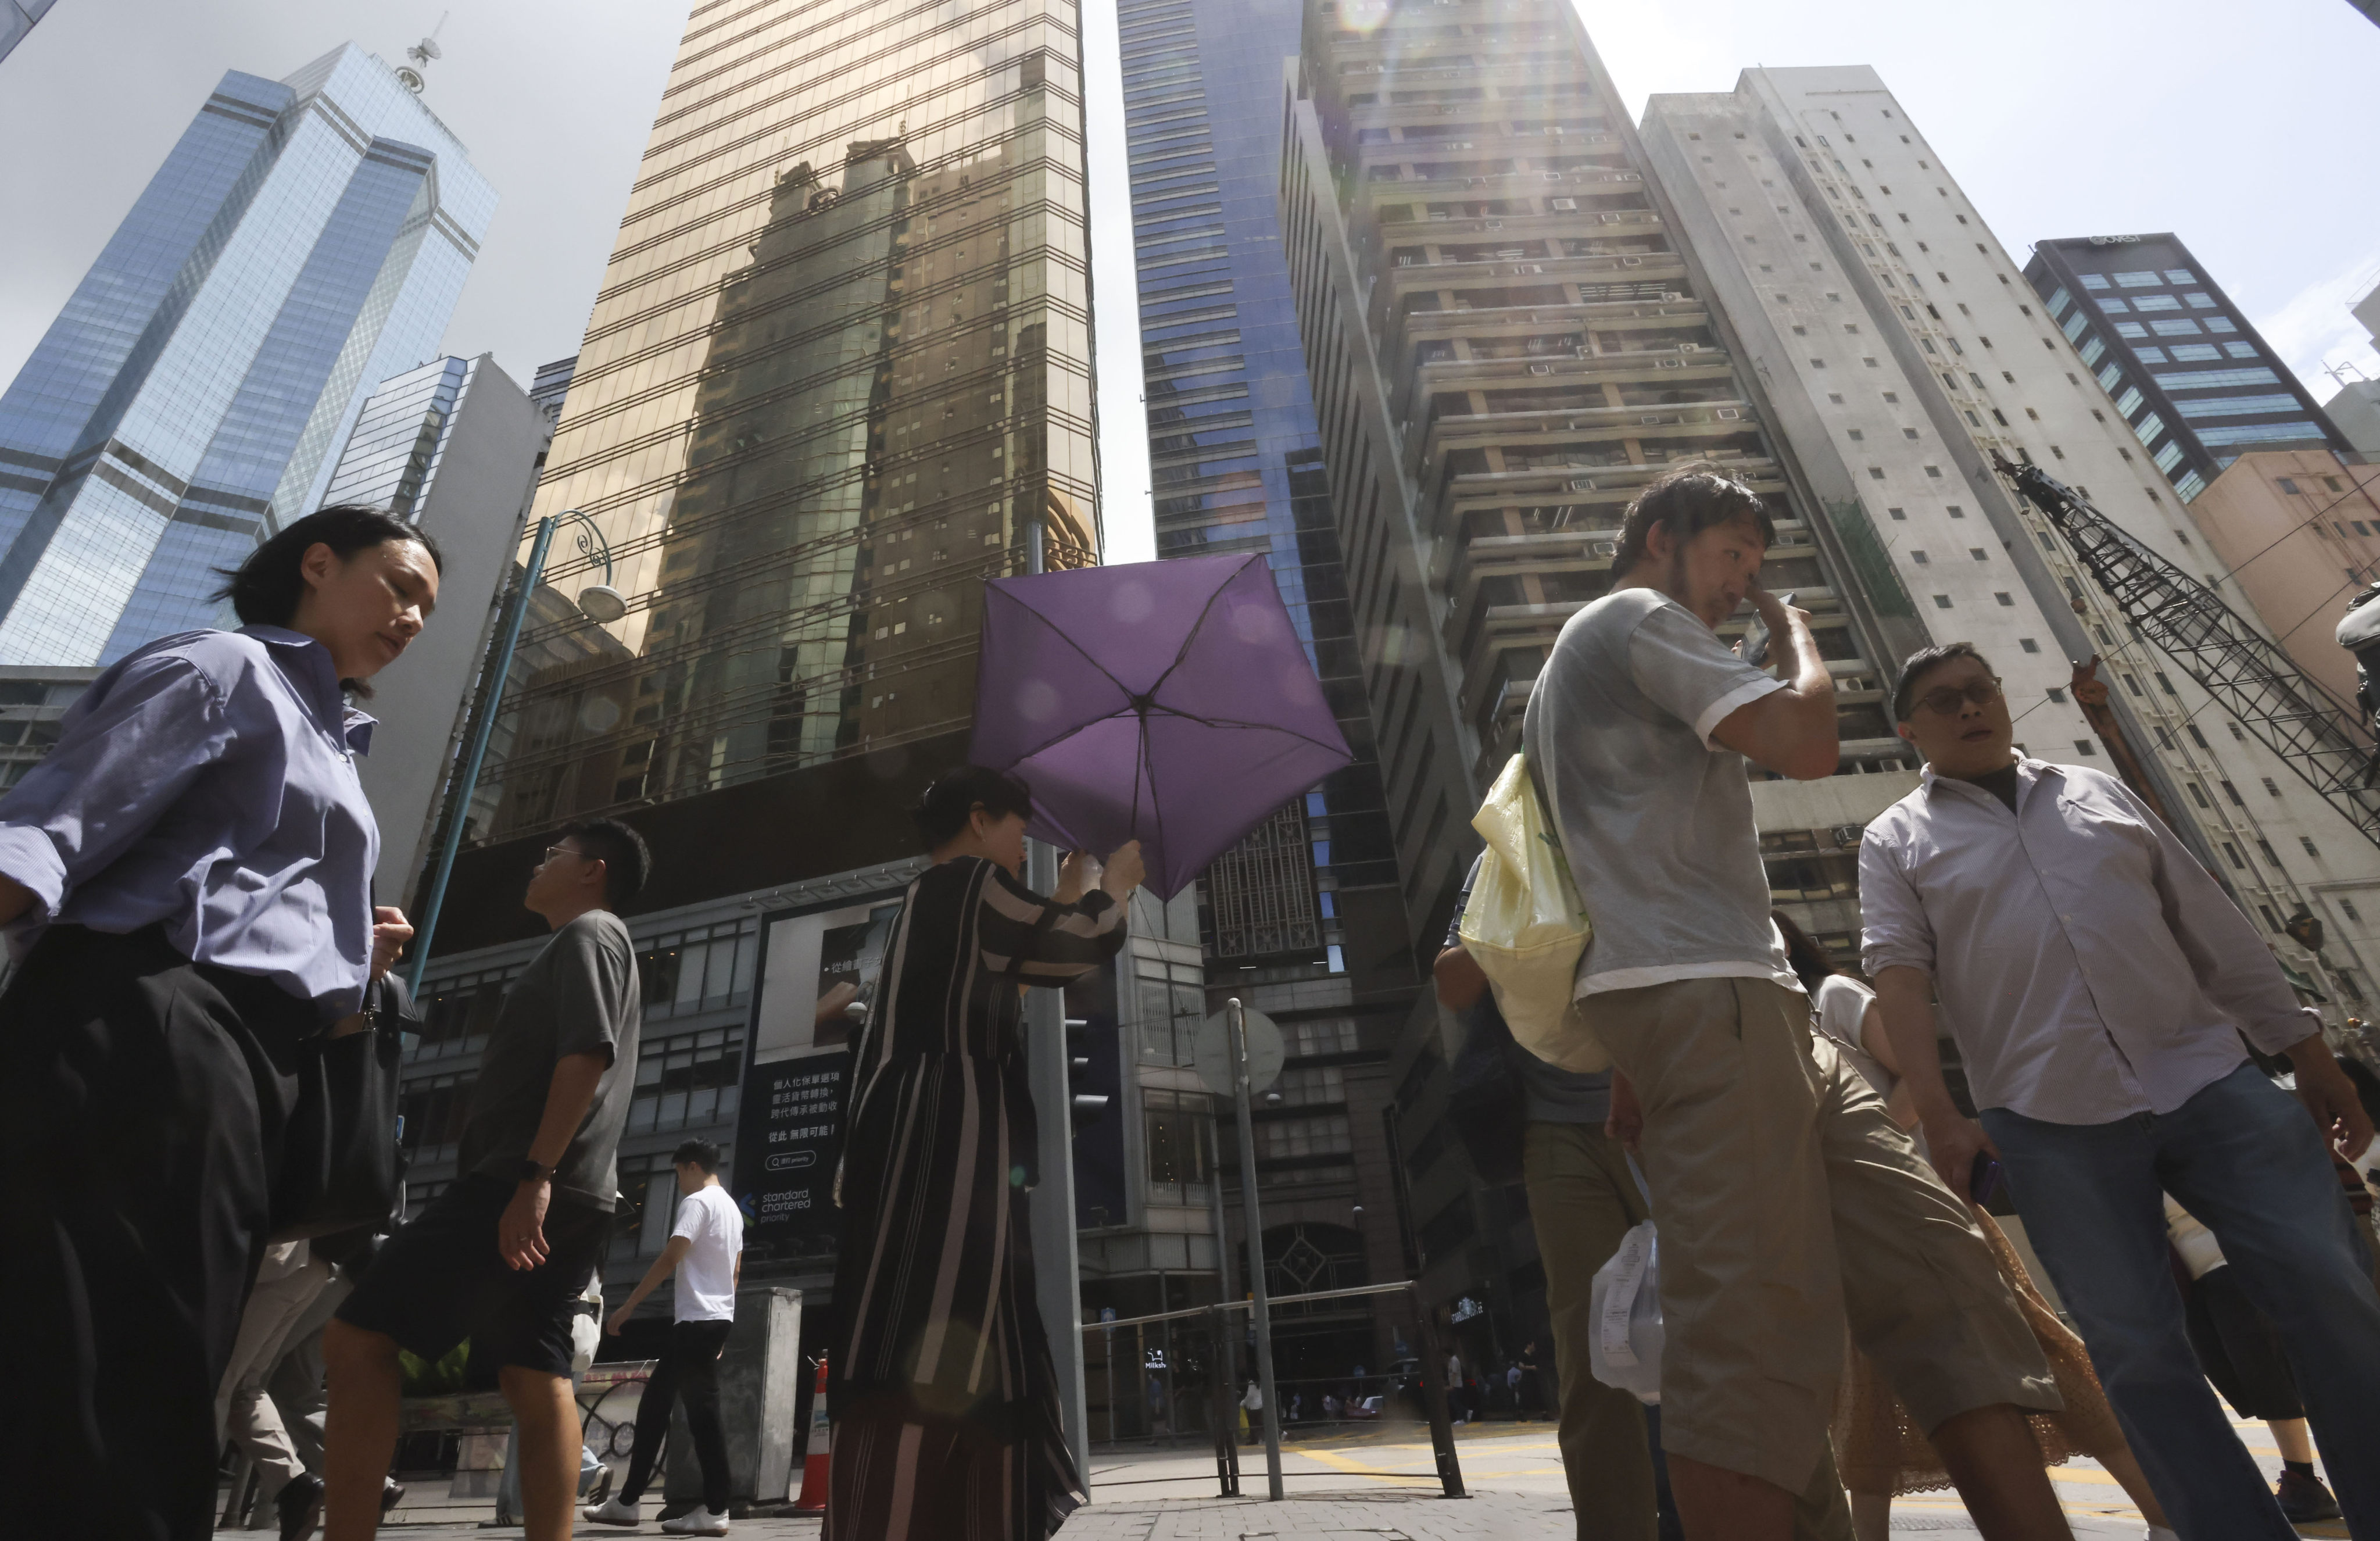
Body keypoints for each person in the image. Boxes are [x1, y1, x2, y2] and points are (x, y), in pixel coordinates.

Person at [1523, 465, 2071, 1541]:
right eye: (1732, 556)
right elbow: (1807, 741)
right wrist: (1797, 635)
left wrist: (1638, 1066)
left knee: (1940, 1268)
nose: (1743, 583)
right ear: (1660, 536)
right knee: (1747, 1333)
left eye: (1757, 568)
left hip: (1751, 1007)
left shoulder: (1591, 666)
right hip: (1707, 1003)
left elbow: (1628, 863)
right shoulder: (1634, 615)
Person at [1860, 640, 2380, 1539]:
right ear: (1910, 730)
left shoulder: (2092, 790)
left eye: (1979, 690)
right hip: (2047, 1120)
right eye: (1943, 701)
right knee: (2136, 1350)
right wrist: (1941, 1115)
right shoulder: (1895, 839)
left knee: (2326, 1282)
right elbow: (1898, 980)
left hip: (2208, 1077)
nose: (1969, 707)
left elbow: (2212, 929)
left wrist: (2313, 1059)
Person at [0, 506, 435, 1541]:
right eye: (400, 585)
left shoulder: (332, 735)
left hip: (239, 1065)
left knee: (157, 1360)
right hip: (144, 1029)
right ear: (317, 565)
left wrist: (342, 947)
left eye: (428, 605)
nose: (414, 617)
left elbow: (238, 884)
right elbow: (51, 827)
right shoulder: (226, 667)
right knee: (109, 1366)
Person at [1774, 914, 2175, 1541]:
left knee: (2043, 1359)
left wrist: (1862, 1134)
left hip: (1924, 1204)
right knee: (1867, 1397)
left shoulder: (1833, 998)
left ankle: (2165, 1515)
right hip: (1848, 1229)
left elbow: (1913, 1070)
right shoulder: (1771, 1030)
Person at [826, 767, 1139, 1541]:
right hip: (950, 1128)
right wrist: (1114, 887)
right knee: (953, 1314)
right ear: (976, 817)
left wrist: (1065, 891)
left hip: (897, 1133)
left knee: (929, 1316)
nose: (1023, 841)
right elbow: (1073, 950)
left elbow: (1011, 969)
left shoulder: (925, 899)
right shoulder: (970, 883)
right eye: (1017, 825)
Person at [322, 817, 650, 1541]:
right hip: (571, 1189)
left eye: (552, 854)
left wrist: (534, 1176)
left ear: (593, 869)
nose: (538, 862)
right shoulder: (586, 940)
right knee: (535, 1376)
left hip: (522, 1180)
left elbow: (585, 1055)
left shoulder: (590, 933)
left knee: (355, 1337)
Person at [1438, 855, 1656, 1534]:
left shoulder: (1639, 805)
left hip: (1673, 1097)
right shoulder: (1504, 851)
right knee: (1593, 1345)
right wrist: (1519, 913)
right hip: (1557, 1124)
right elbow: (1452, 981)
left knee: (1731, 1321)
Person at [587, 1137, 747, 1533]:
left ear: (692, 1166)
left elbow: (671, 1255)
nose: (679, 1182)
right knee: (657, 1405)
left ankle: (714, 1509)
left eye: (678, 1173)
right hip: (711, 1320)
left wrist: (628, 1306)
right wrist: (724, 1321)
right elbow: (735, 1270)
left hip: (695, 1322)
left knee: (701, 1415)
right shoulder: (731, 1208)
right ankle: (627, 1501)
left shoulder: (698, 1203)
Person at [2164, 1194, 2343, 1523]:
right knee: (2253, 1377)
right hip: (2196, 1275)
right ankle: (2305, 1482)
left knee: (2269, 1375)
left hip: (2232, 1261)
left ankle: (2305, 1483)